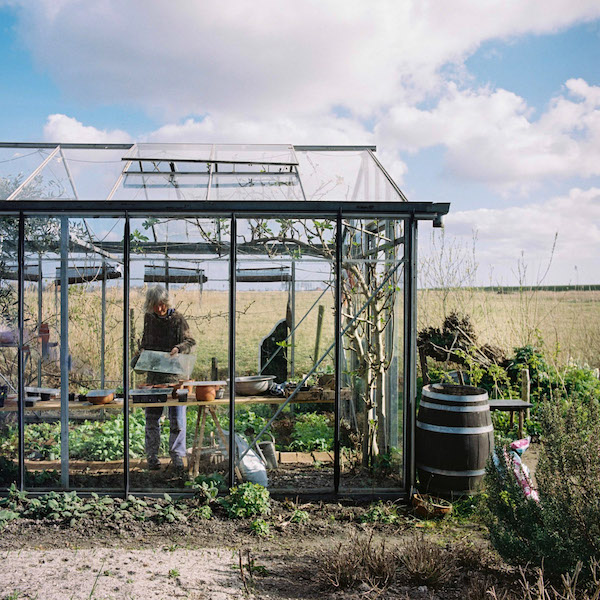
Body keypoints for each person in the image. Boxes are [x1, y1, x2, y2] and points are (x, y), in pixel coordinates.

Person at [137, 285, 196, 471]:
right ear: (150, 305)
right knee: (152, 418)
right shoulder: (149, 319)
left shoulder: (178, 319)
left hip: (175, 376)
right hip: (154, 377)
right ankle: (152, 458)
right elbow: (145, 341)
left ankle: (177, 458)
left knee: (177, 419)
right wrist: (142, 353)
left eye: (162, 305)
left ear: (167, 303)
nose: (159, 309)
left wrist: (178, 349)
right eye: (155, 305)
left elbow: (190, 341)